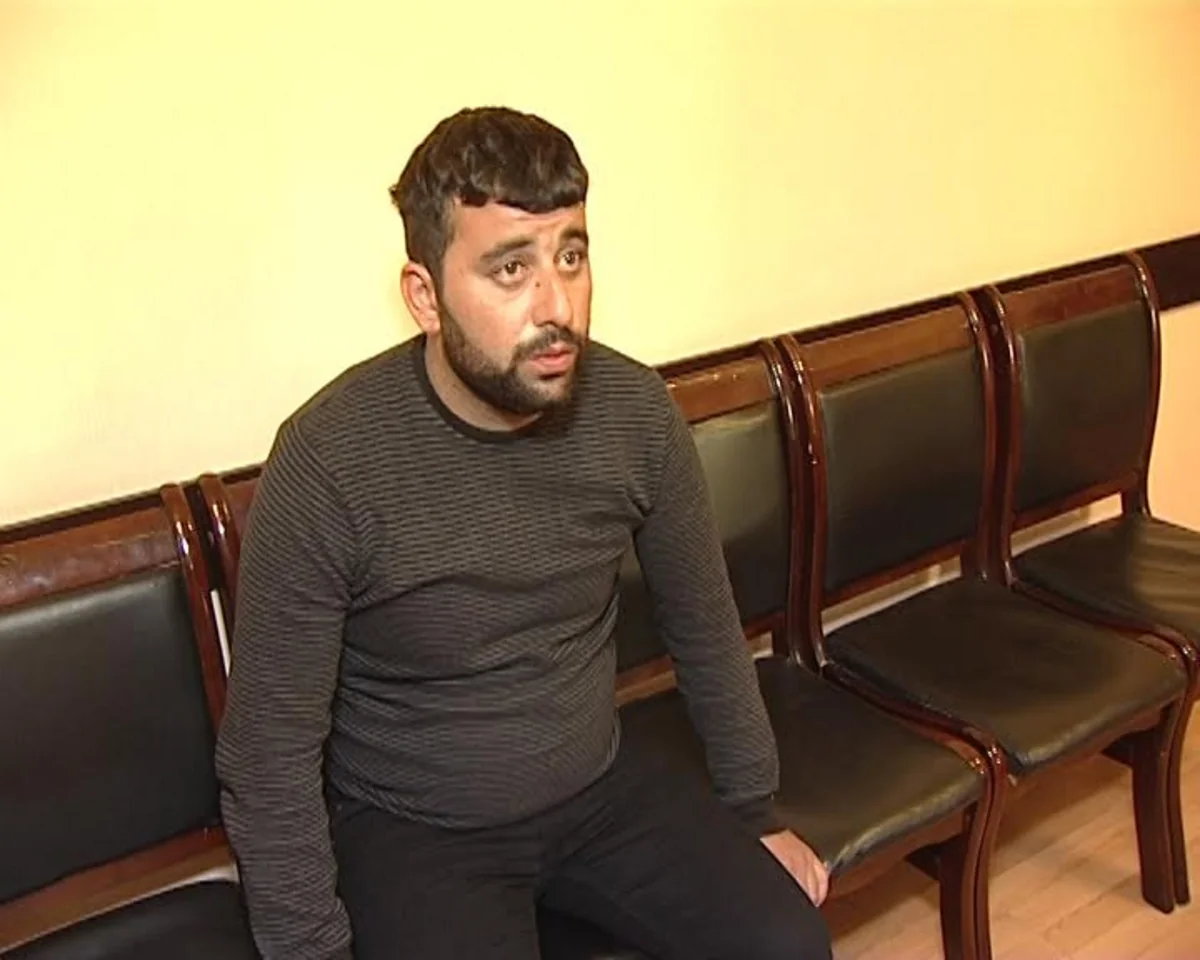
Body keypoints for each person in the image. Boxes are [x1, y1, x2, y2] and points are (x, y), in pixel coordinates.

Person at [215, 106, 832, 960]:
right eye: (511, 269)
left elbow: (705, 625)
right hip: (417, 827)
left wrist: (753, 810)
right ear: (425, 297)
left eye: (570, 256)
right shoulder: (330, 462)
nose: (558, 306)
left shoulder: (634, 414)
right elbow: (268, 752)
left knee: (787, 945)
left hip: (598, 782)